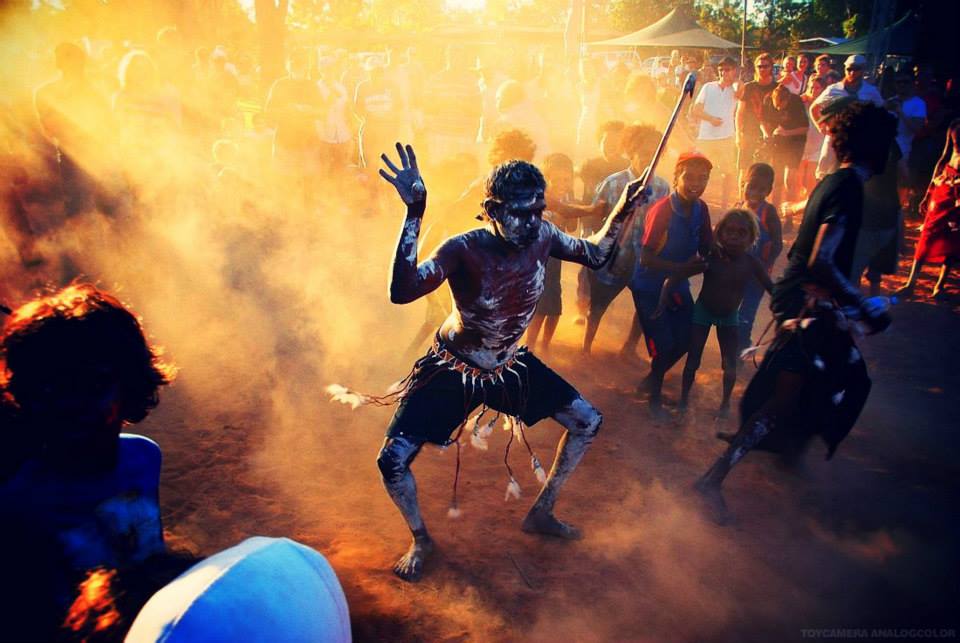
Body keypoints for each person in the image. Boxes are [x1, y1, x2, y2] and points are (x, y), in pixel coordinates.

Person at [369, 143, 651, 582]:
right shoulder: (462, 248)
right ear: (491, 210)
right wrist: (414, 213)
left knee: (588, 422)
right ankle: (422, 538)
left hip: (509, 367)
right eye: (520, 212)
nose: (531, 222)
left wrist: (624, 208)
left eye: (538, 209)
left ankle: (543, 510)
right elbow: (402, 291)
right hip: (453, 368)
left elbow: (595, 254)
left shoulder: (544, 235)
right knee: (392, 461)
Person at [694, 102, 897, 522]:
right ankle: (712, 479)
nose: (892, 150)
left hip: (809, 303)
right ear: (871, 144)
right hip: (807, 306)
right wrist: (861, 306)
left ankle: (784, 455)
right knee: (786, 398)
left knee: (822, 386)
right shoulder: (846, 188)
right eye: (887, 142)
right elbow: (821, 261)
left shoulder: (836, 182)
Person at [0, 284, 186, 640]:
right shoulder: (17, 506)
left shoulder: (144, 458)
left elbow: (147, 555)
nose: (71, 403)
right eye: (50, 386)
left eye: (91, 383)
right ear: (26, 395)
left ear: (130, 384)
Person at [663, 209, 772, 416]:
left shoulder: (751, 263)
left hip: (729, 317)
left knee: (729, 364)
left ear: (751, 237)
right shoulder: (711, 257)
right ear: (719, 233)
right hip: (703, 312)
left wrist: (783, 304)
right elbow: (679, 274)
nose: (734, 237)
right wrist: (666, 292)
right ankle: (684, 401)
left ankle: (724, 404)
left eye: (741, 233)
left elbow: (770, 287)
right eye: (729, 231)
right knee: (693, 360)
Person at [632, 151, 714, 416]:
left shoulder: (701, 209)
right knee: (664, 344)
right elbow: (645, 259)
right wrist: (683, 269)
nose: (695, 184)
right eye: (689, 177)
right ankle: (653, 399)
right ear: (677, 176)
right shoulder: (663, 210)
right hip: (649, 286)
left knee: (689, 337)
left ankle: (649, 382)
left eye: (703, 178)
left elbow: (706, 246)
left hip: (677, 284)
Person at [583, 124, 671, 356]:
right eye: (643, 153)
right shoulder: (613, 183)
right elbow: (595, 217)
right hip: (613, 255)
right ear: (631, 152)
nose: (648, 159)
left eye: (655, 154)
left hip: (643, 258)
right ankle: (585, 348)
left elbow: (663, 226)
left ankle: (629, 347)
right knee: (598, 304)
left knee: (645, 304)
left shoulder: (662, 187)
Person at [897, 118, 960, 298]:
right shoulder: (955, 125)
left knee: (954, 238)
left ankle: (939, 286)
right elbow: (943, 158)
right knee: (928, 234)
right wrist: (929, 192)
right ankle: (911, 283)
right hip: (945, 186)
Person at [576, 120, 629, 322]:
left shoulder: (626, 166)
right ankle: (582, 306)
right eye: (607, 141)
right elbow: (588, 195)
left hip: (617, 224)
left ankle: (602, 306)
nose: (611, 145)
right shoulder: (591, 165)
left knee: (610, 264)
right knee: (586, 264)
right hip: (592, 220)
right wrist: (586, 221)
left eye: (616, 141)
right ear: (599, 141)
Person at [527, 152, 576, 351]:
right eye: (557, 178)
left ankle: (545, 346)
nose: (562, 182)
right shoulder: (538, 197)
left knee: (554, 307)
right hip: (537, 257)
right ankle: (530, 345)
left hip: (555, 258)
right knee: (540, 305)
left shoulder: (567, 198)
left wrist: (570, 206)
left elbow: (572, 227)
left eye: (566, 179)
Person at [811, 55, 883, 180]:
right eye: (849, 69)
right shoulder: (834, 89)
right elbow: (814, 108)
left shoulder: (871, 91)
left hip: (858, 138)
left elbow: (881, 110)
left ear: (863, 69)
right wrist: (821, 126)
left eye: (856, 69)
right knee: (824, 173)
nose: (852, 72)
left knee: (854, 173)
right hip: (835, 136)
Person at [736, 163, 782, 350]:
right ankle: (730, 346)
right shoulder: (738, 208)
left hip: (757, 277)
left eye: (762, 189)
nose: (755, 192)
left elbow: (777, 244)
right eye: (752, 186)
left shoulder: (768, 212)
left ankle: (741, 348)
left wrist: (765, 265)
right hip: (737, 272)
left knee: (747, 314)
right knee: (731, 310)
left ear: (769, 191)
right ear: (743, 183)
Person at [691, 56, 738, 208]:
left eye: (727, 69)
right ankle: (698, 200)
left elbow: (741, 93)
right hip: (705, 137)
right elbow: (695, 110)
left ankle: (724, 204)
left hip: (726, 136)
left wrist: (736, 81)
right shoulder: (708, 87)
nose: (723, 73)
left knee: (727, 172)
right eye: (721, 70)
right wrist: (710, 119)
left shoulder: (736, 88)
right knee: (699, 170)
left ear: (734, 71)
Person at [736, 53, 778, 183]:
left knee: (766, 170)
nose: (762, 69)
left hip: (770, 134)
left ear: (771, 67)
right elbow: (739, 112)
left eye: (765, 66)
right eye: (759, 66)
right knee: (744, 169)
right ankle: (741, 200)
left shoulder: (777, 88)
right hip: (749, 132)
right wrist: (738, 134)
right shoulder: (749, 87)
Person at [768, 84, 809, 206]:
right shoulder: (768, 100)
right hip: (778, 143)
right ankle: (775, 208)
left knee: (789, 179)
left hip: (795, 143)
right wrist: (769, 134)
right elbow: (764, 121)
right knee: (776, 178)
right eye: (777, 106)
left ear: (787, 100)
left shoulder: (796, 102)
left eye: (781, 105)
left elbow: (805, 128)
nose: (779, 109)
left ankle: (788, 211)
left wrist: (787, 133)